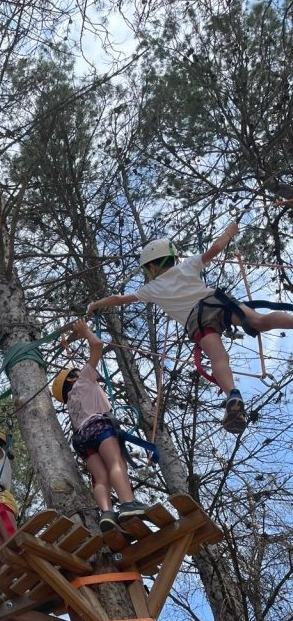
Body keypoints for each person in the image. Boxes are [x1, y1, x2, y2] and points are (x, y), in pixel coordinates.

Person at [87, 222, 293, 434]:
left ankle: (233, 393)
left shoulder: (151, 288)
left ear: (152, 267)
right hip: (215, 303)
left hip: (198, 322)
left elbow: (119, 299)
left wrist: (96, 305)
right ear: (172, 257)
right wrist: (229, 232)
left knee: (218, 357)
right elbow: (215, 249)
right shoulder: (187, 265)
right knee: (259, 320)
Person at [52, 319, 147, 533]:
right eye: (77, 371)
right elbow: (97, 346)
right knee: (116, 463)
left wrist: (69, 347)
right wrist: (86, 331)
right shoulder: (84, 380)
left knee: (100, 477)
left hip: (82, 438)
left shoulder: (71, 402)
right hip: (99, 427)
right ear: (73, 378)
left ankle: (107, 513)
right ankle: (128, 503)